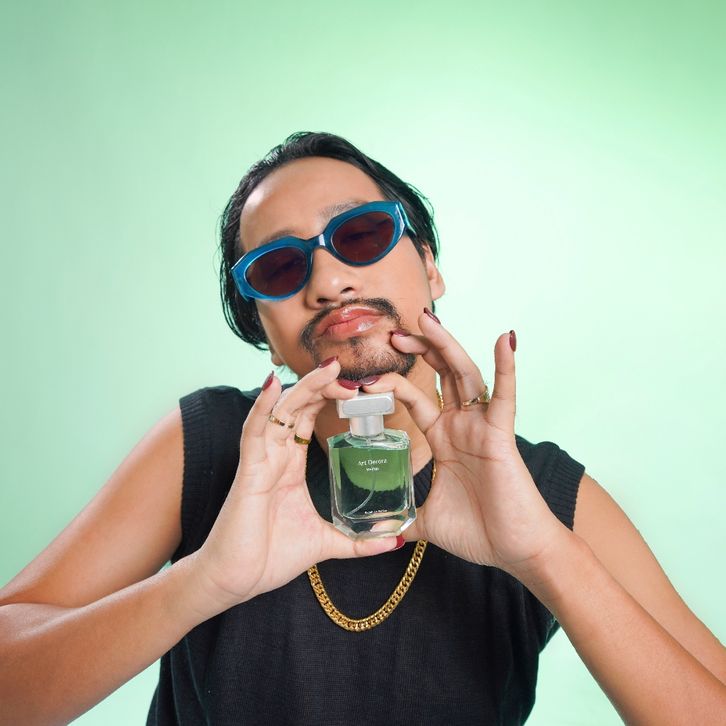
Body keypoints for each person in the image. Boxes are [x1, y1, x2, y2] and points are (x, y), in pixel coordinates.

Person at [0, 132, 723, 726]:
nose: (329, 281)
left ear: (430, 268)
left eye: (361, 233)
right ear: (264, 331)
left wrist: (543, 555)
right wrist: (203, 583)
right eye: (279, 267)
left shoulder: (540, 494)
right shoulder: (212, 444)